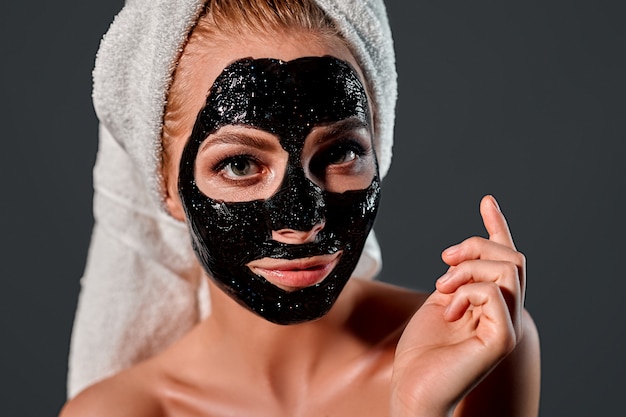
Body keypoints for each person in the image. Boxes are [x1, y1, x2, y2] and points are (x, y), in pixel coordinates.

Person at [61, 0, 541, 415]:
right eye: (240, 163)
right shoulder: (120, 413)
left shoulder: (481, 346)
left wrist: (419, 409)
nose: (302, 219)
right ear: (166, 187)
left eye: (340, 153)